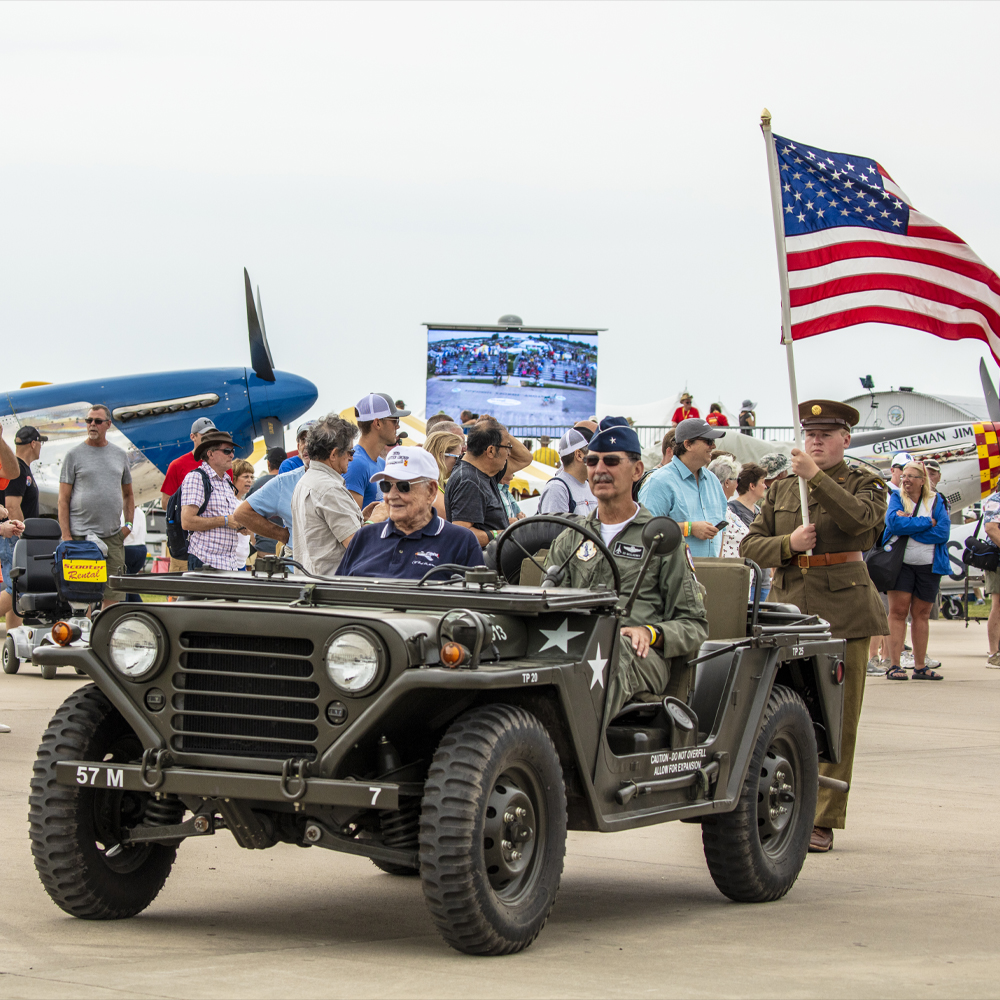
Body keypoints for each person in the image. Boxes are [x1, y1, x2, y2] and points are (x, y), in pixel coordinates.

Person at [741, 400, 889, 854]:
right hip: (789, 608)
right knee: (781, 713)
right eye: (811, 435)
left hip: (844, 609)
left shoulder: (865, 483)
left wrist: (817, 479)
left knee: (838, 719)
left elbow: (861, 524)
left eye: (826, 435)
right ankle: (779, 807)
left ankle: (822, 818)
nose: (816, 442)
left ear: (846, 439)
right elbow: (750, 544)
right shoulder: (784, 487)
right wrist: (788, 543)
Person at [544, 417, 709, 722]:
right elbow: (547, 604)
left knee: (609, 653)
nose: (599, 470)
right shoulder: (572, 537)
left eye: (611, 461)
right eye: (592, 461)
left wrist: (652, 632)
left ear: (636, 470)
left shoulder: (661, 538)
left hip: (638, 655)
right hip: (575, 646)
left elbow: (694, 624)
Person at [339, 448, 483, 579]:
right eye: (386, 485)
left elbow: (474, 596)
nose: (391, 495)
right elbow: (337, 592)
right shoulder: (364, 537)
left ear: (431, 491)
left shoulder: (461, 541)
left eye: (403, 486)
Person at [58, 405, 134, 608]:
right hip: (80, 539)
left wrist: (128, 526)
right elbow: (63, 499)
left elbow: (128, 494)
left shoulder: (120, 455)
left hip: (112, 538)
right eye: (89, 420)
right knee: (82, 598)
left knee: (113, 596)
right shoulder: (73, 455)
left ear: (108, 424)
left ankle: (104, 630)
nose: (92, 424)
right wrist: (67, 537)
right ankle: (84, 630)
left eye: (97, 421)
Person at [881, 462, 948, 681]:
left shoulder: (937, 500)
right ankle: (894, 665)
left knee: (922, 614)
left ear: (922, 480)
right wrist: (927, 522)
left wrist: (909, 525)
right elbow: (894, 524)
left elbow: (943, 532)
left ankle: (920, 666)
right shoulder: (897, 498)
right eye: (904, 476)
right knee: (898, 612)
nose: (906, 480)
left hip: (929, 566)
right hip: (901, 565)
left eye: (911, 476)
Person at [639, 417, 727, 557]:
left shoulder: (713, 481)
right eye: (708, 441)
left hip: (712, 570)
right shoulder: (659, 481)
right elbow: (644, 530)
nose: (713, 446)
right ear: (688, 444)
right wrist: (690, 528)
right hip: (673, 571)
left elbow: (721, 533)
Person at [291, 416, 363, 576]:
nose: (351, 457)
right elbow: (358, 547)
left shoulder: (304, 482)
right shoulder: (330, 488)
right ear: (333, 454)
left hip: (311, 583)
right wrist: (376, 519)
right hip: (333, 586)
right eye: (350, 451)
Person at [0, 426, 46, 632]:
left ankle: (13, 638)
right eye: (40, 443)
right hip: (14, 536)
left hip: (12, 534)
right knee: (16, 589)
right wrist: (25, 536)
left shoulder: (22, 469)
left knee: (16, 592)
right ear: (33, 444)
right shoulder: (19, 470)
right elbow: (11, 505)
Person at [179, 429, 246, 571]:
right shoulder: (196, 478)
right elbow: (187, 521)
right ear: (210, 454)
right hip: (205, 562)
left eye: (232, 451)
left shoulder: (227, 481)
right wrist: (226, 520)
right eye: (227, 451)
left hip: (228, 564)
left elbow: (226, 520)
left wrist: (239, 526)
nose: (232, 455)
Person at [159, 416, 218, 573]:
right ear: (193, 436)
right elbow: (165, 503)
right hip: (185, 543)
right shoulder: (177, 465)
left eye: (212, 435)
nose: (209, 439)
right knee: (182, 585)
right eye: (205, 435)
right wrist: (190, 510)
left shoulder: (223, 466)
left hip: (215, 543)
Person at [445, 421, 511, 547]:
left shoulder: (480, 473)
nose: (509, 453)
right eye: (507, 447)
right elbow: (461, 533)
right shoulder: (469, 481)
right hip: (480, 559)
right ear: (491, 451)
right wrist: (501, 534)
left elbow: (525, 458)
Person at [346, 393, 411, 509]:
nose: (397, 426)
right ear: (377, 423)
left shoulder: (380, 462)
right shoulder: (356, 464)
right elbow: (351, 519)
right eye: (395, 420)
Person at [538, 428, 597, 516]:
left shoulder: (590, 486)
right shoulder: (557, 489)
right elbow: (554, 525)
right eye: (594, 453)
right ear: (579, 455)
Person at [245, 447, 287, 557]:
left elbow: (247, 515)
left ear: (268, 464)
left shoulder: (256, 485)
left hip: (264, 547)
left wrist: (253, 541)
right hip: (288, 548)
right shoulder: (291, 483)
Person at [720, 463, 766, 560]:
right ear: (752, 486)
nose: (765, 486)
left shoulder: (759, 510)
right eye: (762, 482)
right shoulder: (731, 511)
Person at [424, 430, 466, 518]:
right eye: (457, 458)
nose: (459, 462)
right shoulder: (427, 484)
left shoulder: (441, 482)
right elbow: (448, 518)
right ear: (441, 456)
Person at [230, 458, 257, 569]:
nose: (249, 480)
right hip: (231, 562)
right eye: (245, 477)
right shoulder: (229, 502)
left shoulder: (243, 503)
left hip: (242, 562)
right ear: (234, 478)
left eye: (251, 477)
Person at [121, 505, 148, 602]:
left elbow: (126, 531)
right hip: (141, 548)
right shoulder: (141, 512)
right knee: (129, 583)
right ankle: (139, 606)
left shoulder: (123, 512)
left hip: (128, 548)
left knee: (123, 584)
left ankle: (125, 605)